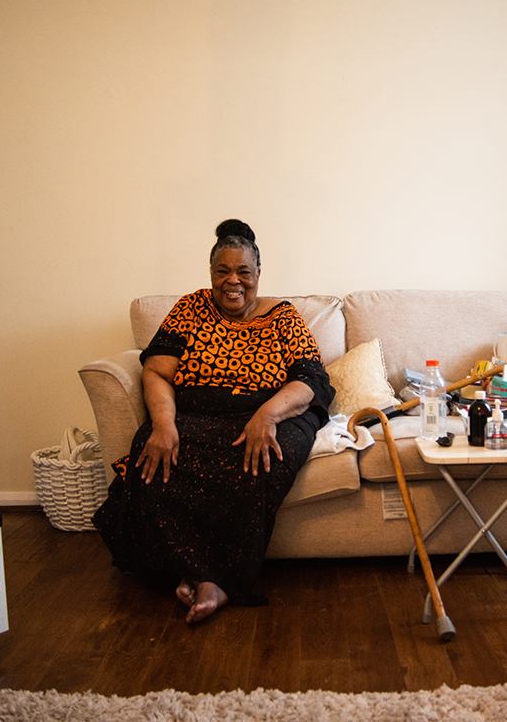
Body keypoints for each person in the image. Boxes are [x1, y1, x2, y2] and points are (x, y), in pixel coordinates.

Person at [93, 219, 333, 624]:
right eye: (222, 271)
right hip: (198, 412)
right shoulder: (190, 308)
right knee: (152, 453)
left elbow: (311, 381)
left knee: (263, 459)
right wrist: (165, 424)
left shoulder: (283, 316)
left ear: (259, 275)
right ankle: (198, 571)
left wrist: (266, 415)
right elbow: (155, 370)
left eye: (243, 272)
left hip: (272, 410)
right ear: (210, 274)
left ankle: (217, 579)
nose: (232, 281)